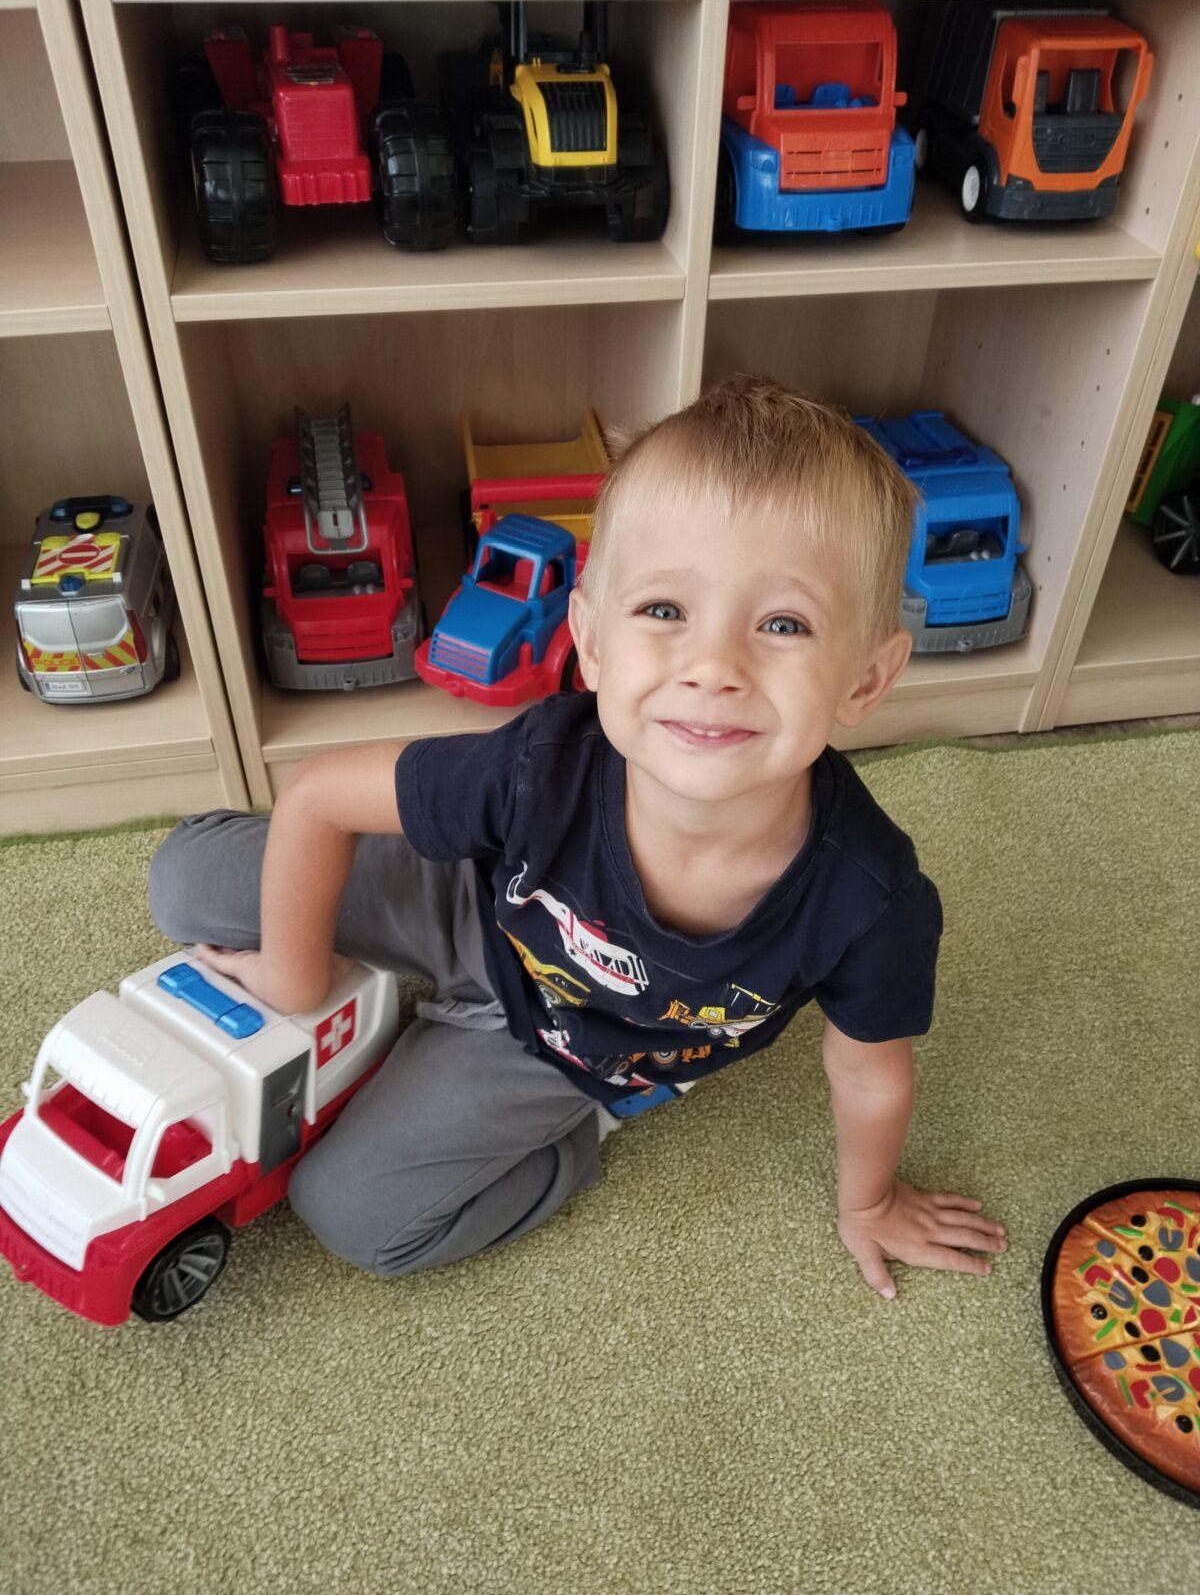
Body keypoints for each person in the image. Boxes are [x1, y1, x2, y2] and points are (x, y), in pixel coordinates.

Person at [147, 374, 1007, 1299]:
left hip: (586, 1051)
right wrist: (294, 979)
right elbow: (319, 795)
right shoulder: (540, 765)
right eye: (665, 611)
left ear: (866, 681)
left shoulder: (871, 900)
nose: (713, 667)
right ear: (591, 642)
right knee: (183, 880)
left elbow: (870, 1072)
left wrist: (868, 1205)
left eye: (783, 623)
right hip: (470, 901)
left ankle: (583, 1134)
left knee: (353, 1213)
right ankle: (371, 969)